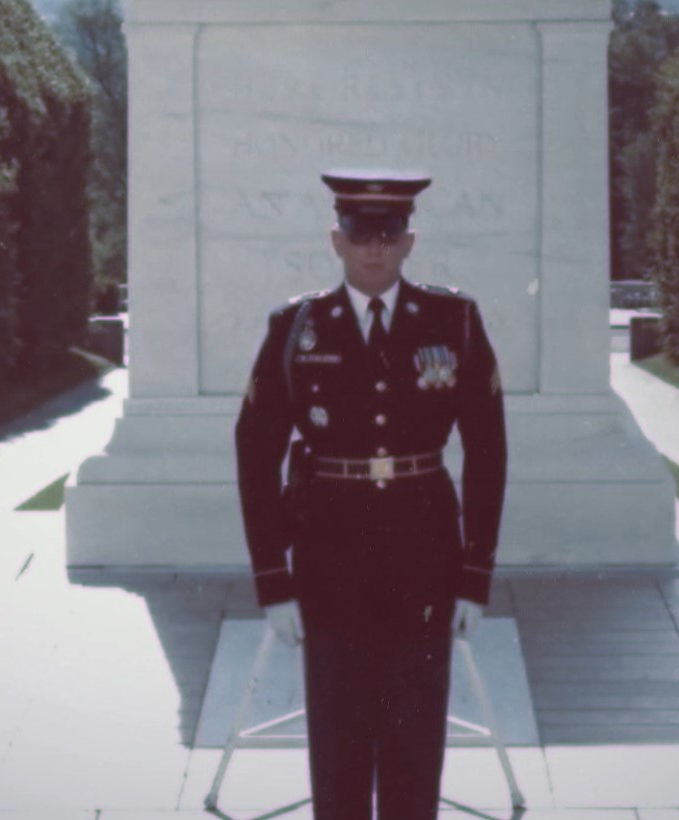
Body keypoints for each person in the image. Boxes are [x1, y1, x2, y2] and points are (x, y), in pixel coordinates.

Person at [233, 170, 508, 817]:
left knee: (416, 739)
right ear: (337, 240)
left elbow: (488, 451)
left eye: (389, 235)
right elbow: (254, 454)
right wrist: (273, 579)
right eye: (360, 235)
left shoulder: (455, 322)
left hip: (425, 556)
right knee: (338, 744)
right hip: (329, 558)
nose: (375, 249)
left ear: (410, 241)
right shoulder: (295, 329)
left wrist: (476, 574)